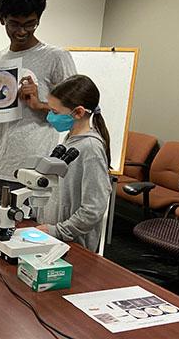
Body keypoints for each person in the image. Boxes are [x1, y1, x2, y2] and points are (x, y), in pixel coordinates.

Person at [0, 0, 77, 202]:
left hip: (35, 170)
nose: (22, 31)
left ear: (38, 20)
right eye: (14, 24)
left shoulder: (56, 58)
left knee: (31, 234)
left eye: (30, 24)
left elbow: (72, 117)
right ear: (1, 19)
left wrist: (37, 104)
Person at [35, 74, 112, 251]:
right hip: (53, 236)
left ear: (78, 112)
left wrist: (58, 231)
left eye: (55, 112)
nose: (49, 117)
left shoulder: (91, 148)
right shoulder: (69, 139)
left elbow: (93, 208)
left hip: (73, 244)